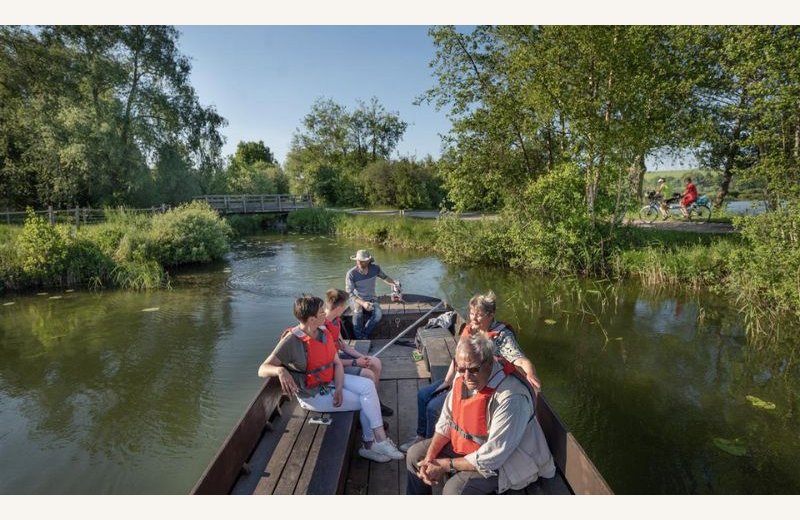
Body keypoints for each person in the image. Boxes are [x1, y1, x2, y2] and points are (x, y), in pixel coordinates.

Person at [257, 294, 404, 463]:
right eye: (321, 312)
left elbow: (337, 364)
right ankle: (370, 444)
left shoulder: (323, 332)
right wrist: (280, 371)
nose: (325, 314)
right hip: (313, 395)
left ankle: (379, 441)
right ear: (311, 319)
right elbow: (263, 369)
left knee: (368, 386)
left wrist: (339, 388)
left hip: (331, 383)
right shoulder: (291, 341)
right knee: (365, 400)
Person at [405, 333, 556, 495]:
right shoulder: (463, 376)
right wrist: (430, 458)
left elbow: (493, 456)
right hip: (472, 447)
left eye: (474, 369)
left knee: (453, 490)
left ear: (490, 363)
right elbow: (446, 421)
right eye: (461, 369)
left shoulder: (511, 397)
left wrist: (446, 464)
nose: (467, 376)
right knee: (415, 456)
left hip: (509, 461)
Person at [400, 290, 542, 452]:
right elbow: (457, 359)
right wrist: (447, 382)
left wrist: (531, 373)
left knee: (433, 407)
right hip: (460, 379)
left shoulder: (502, 336)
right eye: (472, 313)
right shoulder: (471, 330)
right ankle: (420, 437)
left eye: (479, 315)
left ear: (491, 315)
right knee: (423, 395)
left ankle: (430, 444)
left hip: (479, 385)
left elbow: (521, 360)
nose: (473, 318)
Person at [324, 288, 394, 417]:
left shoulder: (335, 320)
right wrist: (356, 362)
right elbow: (330, 362)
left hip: (339, 358)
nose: (346, 307)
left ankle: (375, 401)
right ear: (339, 307)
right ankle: (372, 407)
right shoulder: (321, 327)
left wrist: (363, 357)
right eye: (345, 304)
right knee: (368, 374)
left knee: (375, 362)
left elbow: (344, 346)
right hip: (332, 366)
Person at [345, 249, 399, 340]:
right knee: (358, 309)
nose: (359, 263)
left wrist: (394, 284)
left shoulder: (375, 269)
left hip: (372, 299)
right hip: (357, 300)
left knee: (378, 314)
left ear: (368, 261)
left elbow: (385, 277)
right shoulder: (351, 274)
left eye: (362, 261)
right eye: (358, 260)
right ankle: (359, 337)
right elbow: (349, 293)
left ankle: (364, 334)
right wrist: (363, 303)